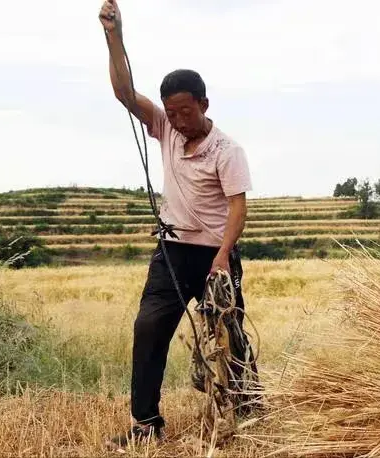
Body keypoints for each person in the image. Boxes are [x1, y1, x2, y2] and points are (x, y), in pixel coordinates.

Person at [98, 0, 258, 448]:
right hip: (171, 251)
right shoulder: (165, 128)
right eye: (171, 111)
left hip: (215, 254)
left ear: (204, 104)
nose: (178, 119)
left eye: (186, 111)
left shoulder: (227, 150)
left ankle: (248, 406)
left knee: (229, 332)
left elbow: (238, 209)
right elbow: (124, 93)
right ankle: (146, 423)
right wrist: (114, 37)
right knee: (149, 328)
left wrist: (224, 256)